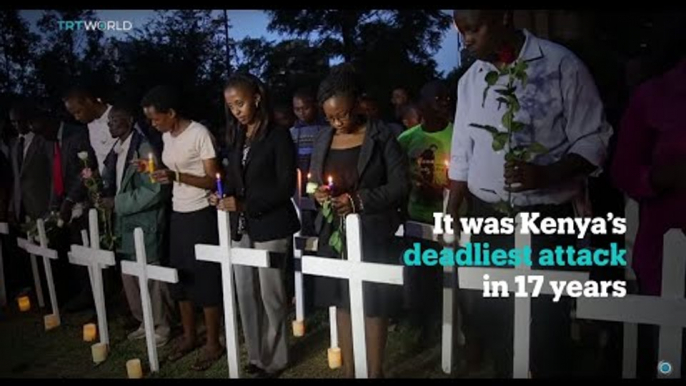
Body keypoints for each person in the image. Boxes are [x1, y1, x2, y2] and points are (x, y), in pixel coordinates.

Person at [448, 10, 612, 377]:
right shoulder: (471, 81)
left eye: (474, 29)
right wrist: (453, 208)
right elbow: (461, 154)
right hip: (490, 221)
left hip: (545, 223)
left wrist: (548, 173)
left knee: (546, 322)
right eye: (462, 33)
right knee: (497, 319)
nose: (467, 40)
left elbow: (594, 138)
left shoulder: (559, 66)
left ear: (503, 17)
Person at [309, 64, 410, 378]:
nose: (336, 122)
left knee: (373, 302)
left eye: (342, 115)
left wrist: (359, 200)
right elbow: (312, 181)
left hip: (372, 232)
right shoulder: (324, 138)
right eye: (329, 117)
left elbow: (400, 186)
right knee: (343, 301)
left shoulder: (381, 137)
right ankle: (351, 371)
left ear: (357, 104)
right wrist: (318, 194)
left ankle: (375, 371)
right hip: (335, 233)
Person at [210, 73, 300, 378]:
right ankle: (256, 354)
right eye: (230, 106)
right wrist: (222, 196)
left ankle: (276, 358)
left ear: (257, 98)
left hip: (272, 225)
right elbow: (235, 180)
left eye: (240, 103)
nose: (236, 110)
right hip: (241, 226)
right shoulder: (236, 137)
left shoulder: (278, 135)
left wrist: (245, 204)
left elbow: (286, 186)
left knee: (271, 294)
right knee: (245, 291)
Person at [611, 30, 686, 378]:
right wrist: (658, 178)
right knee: (669, 355)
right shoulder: (654, 96)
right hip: (668, 253)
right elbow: (624, 170)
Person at [141, 85, 224, 371]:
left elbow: (214, 180)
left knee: (205, 278)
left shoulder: (199, 134)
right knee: (181, 278)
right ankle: (189, 336)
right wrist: (156, 171)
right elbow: (171, 170)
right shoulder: (166, 135)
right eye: (150, 120)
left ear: (172, 113)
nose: (153, 124)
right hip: (178, 212)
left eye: (155, 118)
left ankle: (213, 342)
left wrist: (176, 175)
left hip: (201, 213)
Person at [100, 101, 175, 347]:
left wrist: (118, 203)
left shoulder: (143, 148)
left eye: (115, 120)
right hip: (124, 225)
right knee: (130, 276)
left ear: (130, 121)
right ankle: (144, 321)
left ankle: (161, 326)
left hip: (144, 223)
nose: (110, 124)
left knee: (151, 277)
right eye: (108, 121)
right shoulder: (116, 151)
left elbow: (155, 190)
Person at [396, 80, 454, 344]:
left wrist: (444, 190)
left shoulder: (459, 136)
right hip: (417, 218)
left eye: (447, 99)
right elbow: (396, 176)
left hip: (452, 219)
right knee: (421, 277)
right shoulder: (407, 140)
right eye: (437, 99)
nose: (444, 103)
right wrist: (412, 185)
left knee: (451, 276)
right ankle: (423, 325)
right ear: (422, 105)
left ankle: (453, 325)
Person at [29, 107, 97, 309]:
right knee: (71, 250)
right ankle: (81, 293)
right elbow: (55, 174)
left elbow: (86, 169)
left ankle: (94, 296)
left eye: (42, 131)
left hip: (82, 202)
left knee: (85, 249)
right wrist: (53, 205)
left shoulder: (76, 134)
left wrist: (69, 200)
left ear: (50, 122)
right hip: (65, 204)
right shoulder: (51, 141)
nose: (41, 137)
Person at [289, 87, 328, 236]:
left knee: (317, 208)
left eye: (305, 108)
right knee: (302, 211)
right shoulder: (291, 132)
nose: (301, 112)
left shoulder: (324, 129)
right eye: (297, 109)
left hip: (315, 176)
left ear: (315, 106)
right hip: (299, 179)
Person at [62, 86, 117, 175]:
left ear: (88, 102)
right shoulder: (90, 124)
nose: (76, 118)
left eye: (78, 112)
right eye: (73, 114)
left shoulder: (119, 117)